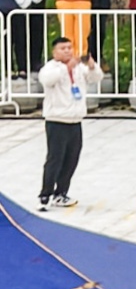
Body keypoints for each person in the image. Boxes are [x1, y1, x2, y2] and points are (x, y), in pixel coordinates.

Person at [36, 32, 93, 208]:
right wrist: (66, 68)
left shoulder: (78, 68)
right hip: (57, 120)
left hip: (75, 120)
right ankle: (45, 194)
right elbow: (48, 80)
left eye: (69, 48)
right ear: (54, 52)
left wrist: (92, 66)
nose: (68, 51)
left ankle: (61, 193)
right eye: (63, 48)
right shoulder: (50, 68)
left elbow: (95, 77)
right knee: (55, 159)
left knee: (71, 159)